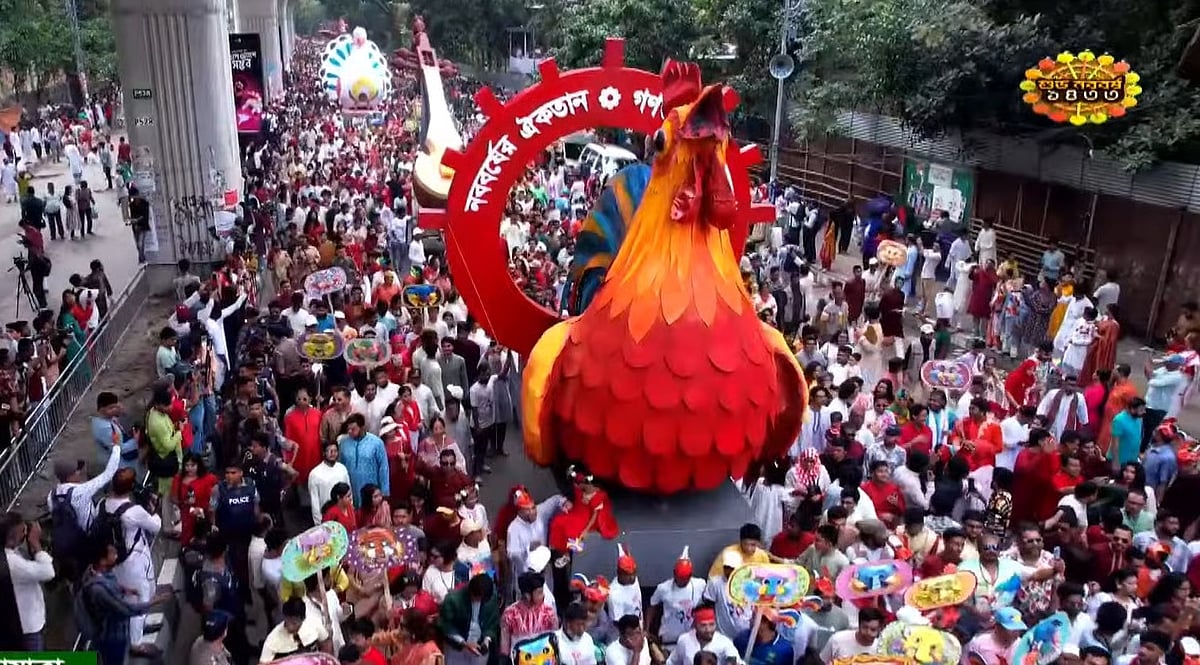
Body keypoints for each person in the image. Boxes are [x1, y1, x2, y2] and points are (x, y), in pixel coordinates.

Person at [80, 541, 173, 665]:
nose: (116, 555)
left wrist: (124, 589)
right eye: (112, 553)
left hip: (113, 632)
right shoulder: (99, 590)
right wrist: (153, 602)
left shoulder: (97, 573)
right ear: (102, 561)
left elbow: (110, 583)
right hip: (111, 637)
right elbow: (126, 609)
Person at [102, 468, 162, 658]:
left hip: (115, 560)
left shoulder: (103, 505)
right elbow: (156, 526)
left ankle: (140, 625)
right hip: (133, 560)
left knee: (140, 594)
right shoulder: (133, 512)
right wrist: (154, 509)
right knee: (141, 598)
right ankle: (136, 643)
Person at [2, 511, 54, 650]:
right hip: (29, 627)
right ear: (11, 539)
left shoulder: (10, 552)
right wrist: (36, 543)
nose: (25, 533)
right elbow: (48, 572)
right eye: (22, 531)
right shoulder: (12, 563)